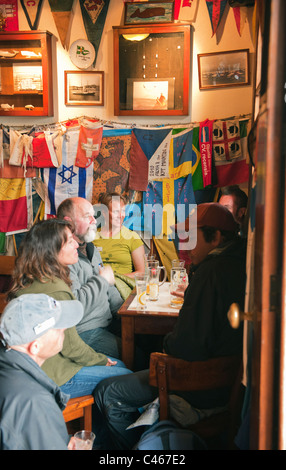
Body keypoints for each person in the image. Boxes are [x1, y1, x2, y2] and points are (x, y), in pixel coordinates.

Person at [93, 203, 247, 450]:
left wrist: (166, 341)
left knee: (106, 391)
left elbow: (185, 347)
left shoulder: (210, 272)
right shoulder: (242, 263)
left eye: (192, 237)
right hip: (228, 380)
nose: (185, 244)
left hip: (199, 386)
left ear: (216, 237)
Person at [7, 219, 131, 400]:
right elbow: (71, 348)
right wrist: (101, 360)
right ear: (52, 250)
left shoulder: (33, 277)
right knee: (126, 375)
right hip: (56, 377)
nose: (76, 243)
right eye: (69, 240)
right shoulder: (56, 288)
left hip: (35, 371)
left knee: (120, 367)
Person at [0, 293, 84, 450]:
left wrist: (60, 441)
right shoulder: (35, 401)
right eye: (58, 327)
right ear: (35, 346)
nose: (64, 328)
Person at [56, 197, 125, 359]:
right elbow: (76, 306)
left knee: (150, 340)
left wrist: (126, 314)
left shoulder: (91, 247)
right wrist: (101, 281)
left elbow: (110, 291)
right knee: (140, 358)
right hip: (86, 331)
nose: (95, 221)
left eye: (94, 215)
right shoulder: (63, 258)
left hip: (107, 323)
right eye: (88, 216)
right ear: (69, 222)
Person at [93, 192, 145, 278]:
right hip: (99, 285)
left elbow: (142, 273)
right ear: (104, 212)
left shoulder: (132, 237)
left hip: (123, 286)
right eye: (116, 212)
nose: (121, 215)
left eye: (123, 211)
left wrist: (114, 278)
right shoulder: (92, 236)